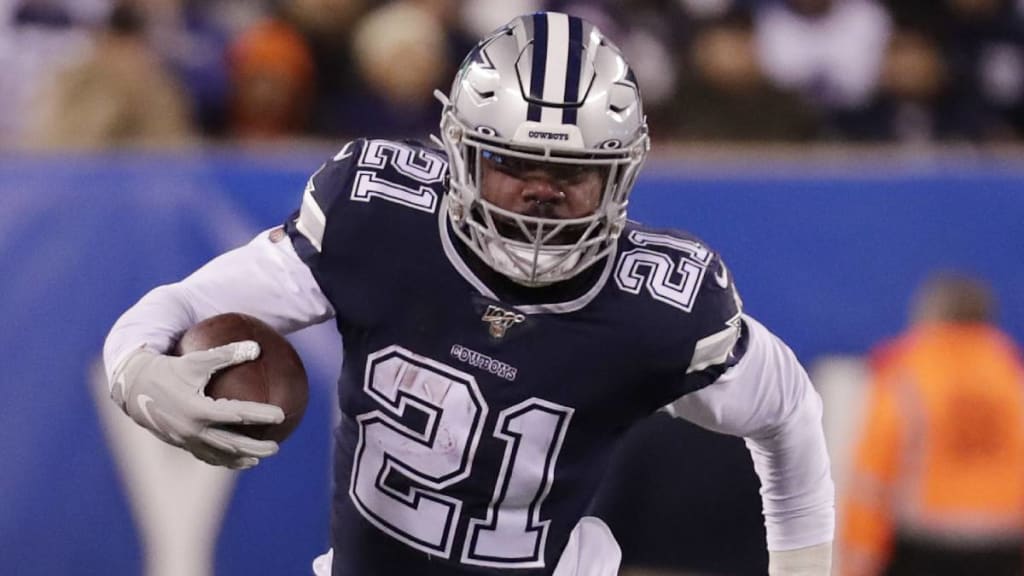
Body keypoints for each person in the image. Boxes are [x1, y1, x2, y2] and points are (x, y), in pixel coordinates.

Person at [103, 12, 834, 576]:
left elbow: (789, 411)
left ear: (621, 177)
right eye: (513, 164)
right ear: (458, 150)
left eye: (572, 175)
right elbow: (177, 306)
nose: (539, 194)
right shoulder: (375, 221)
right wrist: (138, 371)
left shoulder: (661, 304)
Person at [840, 273, 1024, 576]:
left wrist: (859, 561)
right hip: (1003, 547)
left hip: (924, 547)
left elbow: (873, 479)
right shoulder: (1012, 378)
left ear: (930, 315)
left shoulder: (907, 375)